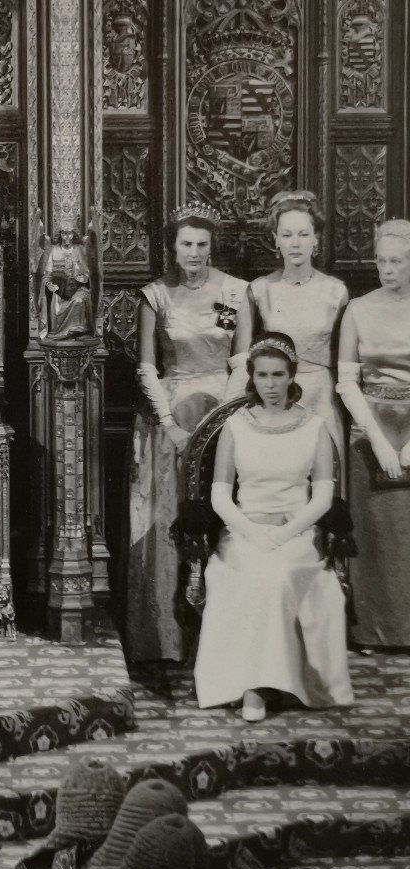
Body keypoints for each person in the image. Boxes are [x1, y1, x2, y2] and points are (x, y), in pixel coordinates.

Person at [194, 333, 352, 722]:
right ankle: (253, 685)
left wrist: (283, 534)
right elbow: (219, 497)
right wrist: (253, 533)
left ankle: (265, 683)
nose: (270, 384)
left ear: (290, 376)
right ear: (252, 377)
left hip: (297, 534)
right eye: (262, 375)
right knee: (256, 572)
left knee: (279, 575)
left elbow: (322, 498)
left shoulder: (314, 426)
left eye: (278, 375)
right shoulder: (235, 426)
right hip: (245, 533)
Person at [125, 202, 252, 667]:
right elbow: (147, 366)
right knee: (169, 521)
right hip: (170, 419)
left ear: (211, 246)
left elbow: (241, 360)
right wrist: (173, 427)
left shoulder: (237, 293)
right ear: (172, 248)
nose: (194, 253)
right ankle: (166, 638)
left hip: (225, 413)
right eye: (186, 244)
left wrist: (224, 418)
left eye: (202, 245)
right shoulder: (155, 295)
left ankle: (228, 640)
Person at [336, 218, 410, 648]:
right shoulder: (358, 309)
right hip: (371, 422)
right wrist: (379, 440)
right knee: (377, 534)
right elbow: (347, 381)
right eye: (381, 261)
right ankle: (375, 630)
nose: (387, 269)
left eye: (397, 261)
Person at [249, 191, 349, 450]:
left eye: (303, 234)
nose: (295, 243)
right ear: (275, 241)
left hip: (321, 397)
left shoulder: (335, 292)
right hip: (275, 396)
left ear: (315, 240)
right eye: (287, 235)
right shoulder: (259, 291)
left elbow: (345, 360)